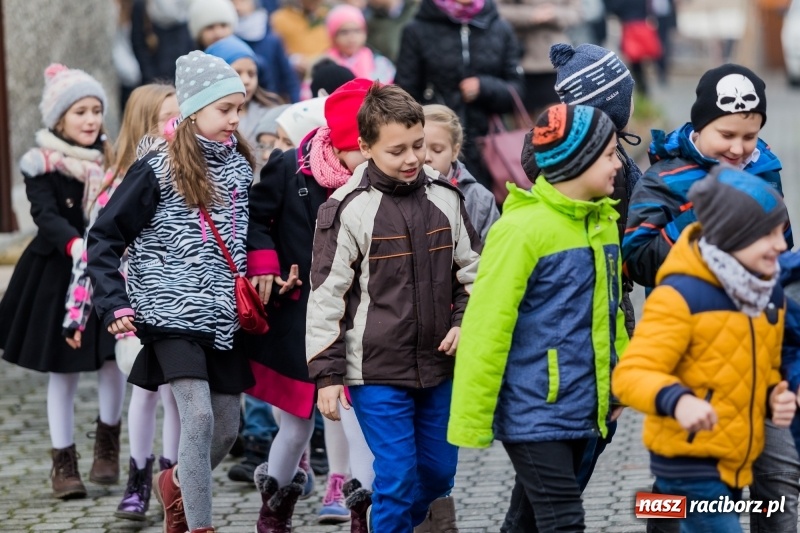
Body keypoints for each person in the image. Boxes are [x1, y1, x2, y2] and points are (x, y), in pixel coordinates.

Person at [623, 63, 799, 533]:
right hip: (693, 339)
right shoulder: (663, 175)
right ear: (700, 124)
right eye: (727, 135)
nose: (740, 149)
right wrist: (705, 227)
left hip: (757, 342)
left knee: (777, 479)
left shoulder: (765, 166)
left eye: (751, 134)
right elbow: (638, 255)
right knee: (685, 485)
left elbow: (780, 243)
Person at [87, 50, 256, 533]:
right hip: (169, 311)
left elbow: (251, 232)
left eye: (239, 109)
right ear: (195, 109)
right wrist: (114, 301)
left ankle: (177, 480)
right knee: (197, 419)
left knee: (226, 428)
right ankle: (199, 526)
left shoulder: (240, 167)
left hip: (223, 317)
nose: (235, 120)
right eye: (225, 110)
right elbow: (103, 236)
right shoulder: (156, 169)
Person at [308, 82, 482, 532]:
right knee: (399, 476)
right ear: (365, 148)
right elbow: (327, 296)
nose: (412, 159)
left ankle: (390, 517)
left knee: (439, 474)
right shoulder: (346, 209)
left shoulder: (447, 199)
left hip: (440, 365)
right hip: (375, 371)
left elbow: (474, 275)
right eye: (397, 150)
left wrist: (465, 322)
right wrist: (327, 375)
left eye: (419, 146)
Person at [449, 103, 628, 532]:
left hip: (583, 403)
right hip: (533, 409)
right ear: (575, 163)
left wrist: (619, 383)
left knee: (527, 518)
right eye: (608, 154)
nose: (618, 164)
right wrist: (472, 420)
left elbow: (610, 313)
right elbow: (487, 324)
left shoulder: (602, 222)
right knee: (564, 520)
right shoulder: (522, 229)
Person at [499, 43, 641, 531]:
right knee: (560, 497)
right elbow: (491, 318)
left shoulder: (599, 163)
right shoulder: (600, 179)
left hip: (601, 345)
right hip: (562, 364)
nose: (615, 165)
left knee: (551, 487)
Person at [247, 78, 376, 531]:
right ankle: (274, 508)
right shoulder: (288, 167)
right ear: (347, 142)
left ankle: (362, 513)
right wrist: (267, 265)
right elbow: (257, 220)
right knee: (297, 426)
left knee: (359, 418)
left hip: (360, 318)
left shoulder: (382, 178)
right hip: (297, 316)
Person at [0, 64, 124, 500]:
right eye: (79, 112)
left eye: (95, 110)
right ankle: (63, 460)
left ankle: (108, 442)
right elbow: (44, 214)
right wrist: (74, 245)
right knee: (63, 369)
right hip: (58, 271)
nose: (90, 120)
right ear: (58, 119)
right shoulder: (42, 165)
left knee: (114, 358)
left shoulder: (114, 160)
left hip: (107, 271)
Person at [60, 83, 181, 520]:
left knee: (177, 395)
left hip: (178, 301)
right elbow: (98, 249)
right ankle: (138, 478)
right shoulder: (121, 180)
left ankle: (174, 481)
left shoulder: (186, 169)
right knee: (146, 392)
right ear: (146, 123)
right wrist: (81, 313)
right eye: (169, 115)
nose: (177, 123)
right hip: (136, 306)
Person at [395, 0, 524, 189]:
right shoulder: (417, 29)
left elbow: (516, 91)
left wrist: (484, 87)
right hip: (434, 147)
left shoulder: (499, 27)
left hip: (489, 146)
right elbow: (405, 94)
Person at [423, 104, 499, 241]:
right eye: (419, 147)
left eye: (437, 150)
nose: (426, 157)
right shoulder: (393, 193)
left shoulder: (480, 200)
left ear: (454, 152)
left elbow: (493, 254)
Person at [494, 0, 581, 114]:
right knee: (524, 117)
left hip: (556, 61)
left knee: (558, 117)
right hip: (522, 58)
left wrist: (554, 13)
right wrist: (530, 15)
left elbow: (576, 12)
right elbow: (498, 10)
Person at [205, 35, 284, 147]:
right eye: (237, 73)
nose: (246, 81)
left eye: (251, 74)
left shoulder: (270, 112)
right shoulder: (206, 119)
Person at [232, 0, 302, 102]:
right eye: (233, 2)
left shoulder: (272, 40)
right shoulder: (230, 40)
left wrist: (296, 105)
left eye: (242, 1)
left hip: (272, 102)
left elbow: (289, 78)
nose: (237, 6)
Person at [325, 5, 395, 82]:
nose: (351, 37)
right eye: (344, 32)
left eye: (357, 31)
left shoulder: (379, 63)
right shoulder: (325, 64)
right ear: (333, 36)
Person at [270, 0, 332, 81]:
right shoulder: (279, 19)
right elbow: (275, 53)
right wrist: (293, 59)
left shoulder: (326, 14)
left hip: (327, 71)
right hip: (298, 78)